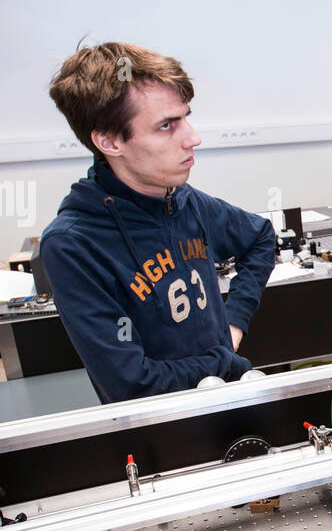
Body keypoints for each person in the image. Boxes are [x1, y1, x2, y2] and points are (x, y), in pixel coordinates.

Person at [41, 43, 275, 403]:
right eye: (166, 126)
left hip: (223, 398)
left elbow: (260, 237)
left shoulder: (184, 200)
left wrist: (234, 322)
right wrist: (222, 361)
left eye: (184, 117)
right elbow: (131, 383)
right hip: (160, 429)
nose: (192, 138)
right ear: (109, 141)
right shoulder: (73, 244)